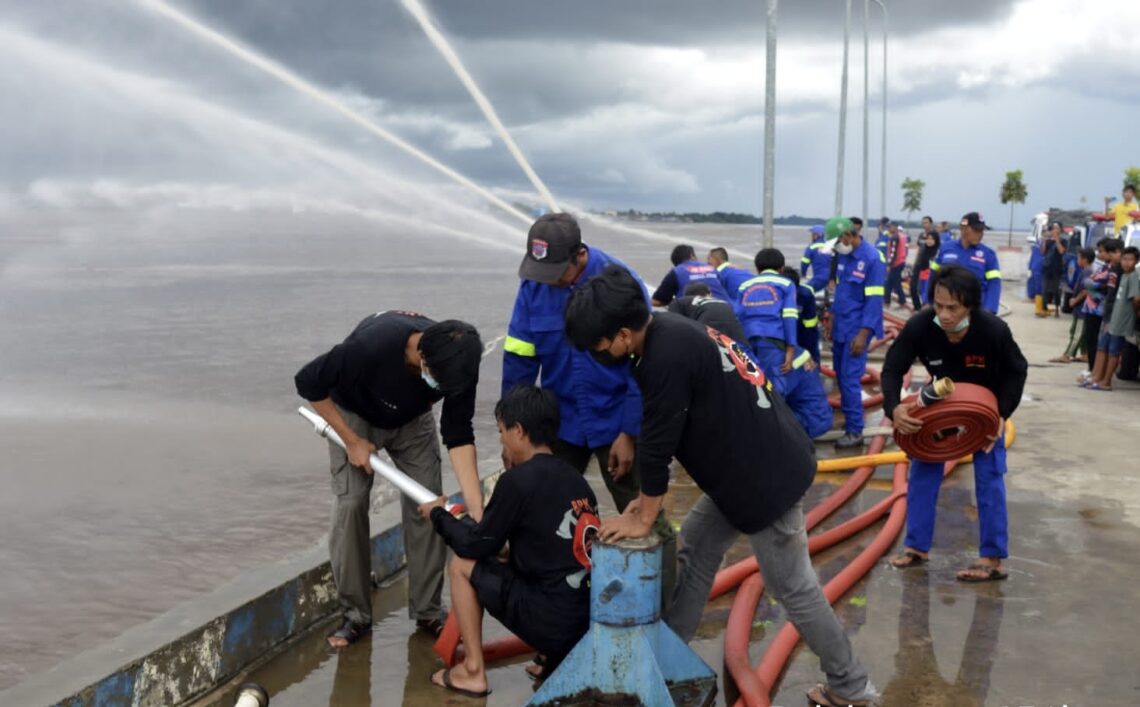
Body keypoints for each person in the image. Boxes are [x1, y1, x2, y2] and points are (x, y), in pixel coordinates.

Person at [563, 266, 878, 707]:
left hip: (765, 478)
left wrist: (645, 516)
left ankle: (851, 688)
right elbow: (658, 434)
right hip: (745, 469)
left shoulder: (663, 356)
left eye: (597, 346)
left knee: (792, 587)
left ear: (621, 334)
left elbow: (658, 442)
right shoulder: (668, 329)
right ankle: (664, 665)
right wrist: (641, 505)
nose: (596, 353)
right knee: (694, 553)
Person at [503, 213, 676, 597]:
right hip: (560, 421)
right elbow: (519, 357)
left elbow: (645, 360)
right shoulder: (534, 286)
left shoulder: (619, 282)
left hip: (616, 418)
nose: (547, 279)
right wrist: (512, 432)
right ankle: (560, 611)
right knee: (543, 514)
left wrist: (629, 431)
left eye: (556, 271)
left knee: (645, 514)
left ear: (580, 256)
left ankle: (665, 609)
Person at [295, 312, 484, 646]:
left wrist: (478, 513)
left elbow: (458, 434)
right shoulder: (370, 347)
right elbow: (308, 381)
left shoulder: (459, 363)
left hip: (413, 420)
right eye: (438, 381)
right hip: (353, 414)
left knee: (429, 503)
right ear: (422, 358)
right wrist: (352, 441)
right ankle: (355, 614)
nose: (445, 390)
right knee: (351, 503)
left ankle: (427, 610)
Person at [423, 385, 598, 698]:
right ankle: (550, 659)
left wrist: (439, 515)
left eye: (502, 431)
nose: (501, 439)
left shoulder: (518, 481)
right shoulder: (576, 479)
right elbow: (542, 546)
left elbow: (474, 545)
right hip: (586, 621)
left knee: (462, 566)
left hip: (553, 624)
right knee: (518, 560)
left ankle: (473, 671)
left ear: (519, 431)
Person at [883, 265, 1027, 582]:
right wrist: (894, 408)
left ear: (970, 306)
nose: (945, 314)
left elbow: (1017, 370)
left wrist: (1002, 414)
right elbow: (893, 368)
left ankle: (991, 559)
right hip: (942, 406)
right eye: (939, 305)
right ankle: (916, 549)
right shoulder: (921, 326)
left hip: (984, 414)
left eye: (953, 307)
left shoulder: (992, 330)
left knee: (989, 477)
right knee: (922, 470)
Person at [734, 249, 833, 438]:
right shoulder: (786, 284)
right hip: (775, 343)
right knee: (770, 394)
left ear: (757, 268)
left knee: (760, 391)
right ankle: (764, 437)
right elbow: (789, 316)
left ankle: (761, 437)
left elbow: (737, 318)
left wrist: (741, 352)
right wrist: (790, 348)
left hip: (749, 344)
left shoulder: (744, 286)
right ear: (780, 268)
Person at [829, 216, 886, 449]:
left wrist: (863, 334)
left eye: (837, 241)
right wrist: (831, 318)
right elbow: (842, 291)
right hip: (841, 325)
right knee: (841, 376)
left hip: (857, 329)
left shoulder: (872, 259)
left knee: (850, 379)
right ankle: (851, 422)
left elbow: (874, 300)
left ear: (849, 235)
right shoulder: (844, 256)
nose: (836, 247)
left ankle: (855, 431)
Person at [928, 212, 1002, 314]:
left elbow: (994, 284)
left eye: (982, 230)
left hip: (975, 311)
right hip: (946, 309)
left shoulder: (989, 255)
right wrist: (927, 301)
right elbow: (933, 276)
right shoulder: (945, 248)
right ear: (963, 229)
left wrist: (990, 310)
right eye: (976, 230)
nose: (980, 234)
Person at [1087, 246, 1138, 391]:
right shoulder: (1124, 275)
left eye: (1130, 260)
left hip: (1122, 321)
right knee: (1105, 347)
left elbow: (1136, 299)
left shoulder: (1133, 277)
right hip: (1114, 318)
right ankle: (1099, 378)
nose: (1127, 263)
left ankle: (1107, 381)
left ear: (1136, 261)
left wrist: (1134, 313)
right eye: (1125, 259)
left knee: (1114, 350)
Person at [1077, 238, 1121, 385]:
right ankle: (1093, 371)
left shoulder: (1111, 270)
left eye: (1103, 251)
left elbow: (1092, 282)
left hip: (1099, 309)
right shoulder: (1104, 267)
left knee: (1097, 341)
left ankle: (1096, 371)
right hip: (1093, 307)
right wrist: (1092, 285)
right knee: (1092, 340)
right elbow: (1090, 282)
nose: (1101, 254)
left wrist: (1093, 287)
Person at [1051, 247, 1095, 364]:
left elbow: (1086, 290)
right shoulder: (1085, 271)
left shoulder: (1087, 272)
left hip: (1083, 309)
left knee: (1077, 333)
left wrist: (1075, 300)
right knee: (1080, 332)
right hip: (1079, 309)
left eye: (1079, 258)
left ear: (1085, 259)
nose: (1077, 260)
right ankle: (1085, 354)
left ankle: (1067, 355)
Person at [668, 282, 748, 345]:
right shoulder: (722, 302)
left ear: (687, 296)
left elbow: (673, 324)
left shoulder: (683, 301)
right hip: (732, 320)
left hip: (707, 320)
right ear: (709, 294)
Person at [651, 244, 729, 306]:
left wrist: (675, 302)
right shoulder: (712, 268)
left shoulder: (676, 272)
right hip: (728, 313)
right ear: (692, 256)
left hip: (698, 318)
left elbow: (655, 301)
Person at [782, 266, 822, 363]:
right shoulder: (774, 296)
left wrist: (810, 356)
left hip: (803, 337)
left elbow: (810, 329)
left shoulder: (805, 296)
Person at [911, 217, 940, 309]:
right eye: (923, 223)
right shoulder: (921, 236)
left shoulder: (935, 236)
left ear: (931, 223)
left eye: (926, 222)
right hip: (921, 267)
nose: (924, 225)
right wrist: (915, 262)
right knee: (915, 288)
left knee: (927, 292)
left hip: (930, 272)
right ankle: (918, 307)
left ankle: (926, 308)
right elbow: (919, 249)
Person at [1040, 221, 1065, 317]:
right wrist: (1044, 240)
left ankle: (1057, 310)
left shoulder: (1063, 241)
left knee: (1056, 290)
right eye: (1053, 228)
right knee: (1045, 289)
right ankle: (1043, 309)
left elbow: (1061, 251)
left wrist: (1057, 239)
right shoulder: (1049, 241)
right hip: (1047, 268)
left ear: (1060, 230)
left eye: (1056, 228)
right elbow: (1042, 252)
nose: (1054, 230)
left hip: (1057, 269)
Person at [800, 224, 833, 294]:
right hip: (833, 278)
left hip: (820, 277)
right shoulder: (831, 247)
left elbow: (804, 263)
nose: (811, 236)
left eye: (813, 234)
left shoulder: (812, 247)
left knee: (804, 291)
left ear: (817, 235)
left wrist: (803, 274)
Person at [884, 223, 909, 308]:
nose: (888, 229)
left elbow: (893, 252)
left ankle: (902, 301)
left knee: (896, 283)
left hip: (896, 263)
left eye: (890, 227)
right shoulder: (902, 236)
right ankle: (887, 301)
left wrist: (889, 264)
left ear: (894, 227)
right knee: (889, 283)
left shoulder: (894, 237)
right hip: (900, 261)